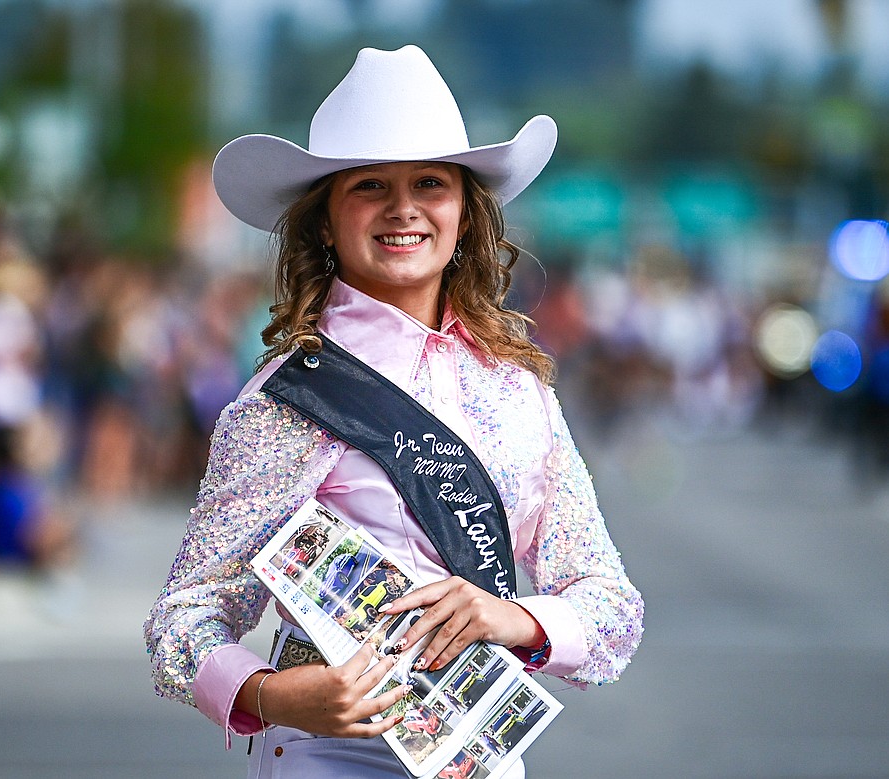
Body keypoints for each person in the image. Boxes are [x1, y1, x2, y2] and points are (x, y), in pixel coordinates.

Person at [144, 46, 643, 777]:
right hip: (327, 753)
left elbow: (612, 604)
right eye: (371, 185)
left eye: (430, 184)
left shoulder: (517, 389)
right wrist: (275, 694)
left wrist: (515, 616)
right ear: (325, 221)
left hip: (478, 757)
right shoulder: (284, 403)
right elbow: (183, 618)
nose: (403, 207)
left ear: (466, 215)